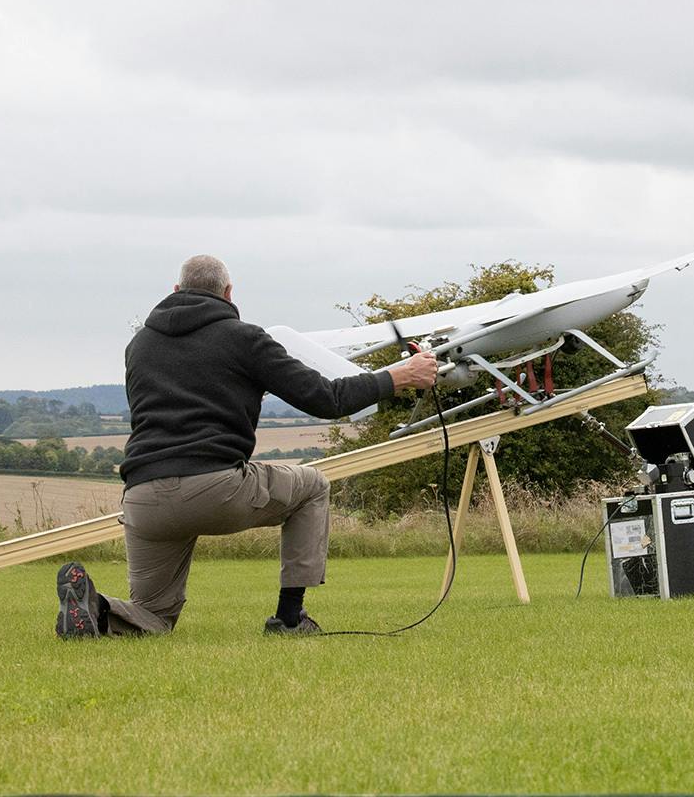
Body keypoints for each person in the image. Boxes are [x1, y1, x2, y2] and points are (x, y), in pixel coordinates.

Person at [55, 254, 438, 638]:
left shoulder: (139, 345)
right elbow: (328, 399)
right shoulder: (244, 339)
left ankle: (97, 608)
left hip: (143, 499)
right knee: (313, 487)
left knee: (154, 616)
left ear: (175, 291)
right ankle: (290, 618)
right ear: (228, 293)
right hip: (215, 488)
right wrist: (398, 376)